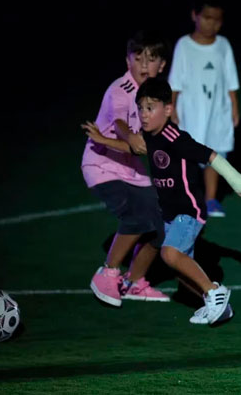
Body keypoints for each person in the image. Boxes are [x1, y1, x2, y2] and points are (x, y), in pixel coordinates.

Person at [82, 78, 241, 324]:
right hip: (170, 214)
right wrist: (102, 140)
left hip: (188, 211)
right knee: (183, 272)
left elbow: (210, 155)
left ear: (168, 110)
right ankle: (219, 308)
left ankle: (216, 293)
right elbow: (133, 149)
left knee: (170, 254)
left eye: (150, 108)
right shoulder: (149, 136)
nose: (143, 114)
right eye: (140, 108)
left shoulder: (175, 137)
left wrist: (237, 181)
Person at [82, 31, 170, 307]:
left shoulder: (155, 95)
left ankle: (135, 282)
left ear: (162, 65)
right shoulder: (120, 89)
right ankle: (107, 274)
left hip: (131, 168)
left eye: (151, 59)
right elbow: (120, 121)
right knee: (135, 216)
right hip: (102, 165)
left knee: (161, 224)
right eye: (138, 58)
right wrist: (128, 137)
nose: (144, 65)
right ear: (127, 60)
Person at [168, 0, 241, 218]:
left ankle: (211, 200)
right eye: (207, 18)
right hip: (192, 113)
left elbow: (230, 81)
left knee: (215, 154)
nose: (212, 24)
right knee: (188, 155)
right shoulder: (184, 45)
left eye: (217, 20)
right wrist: (172, 109)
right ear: (195, 16)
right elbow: (175, 83)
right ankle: (187, 199)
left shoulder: (223, 45)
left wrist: (234, 108)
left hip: (218, 112)